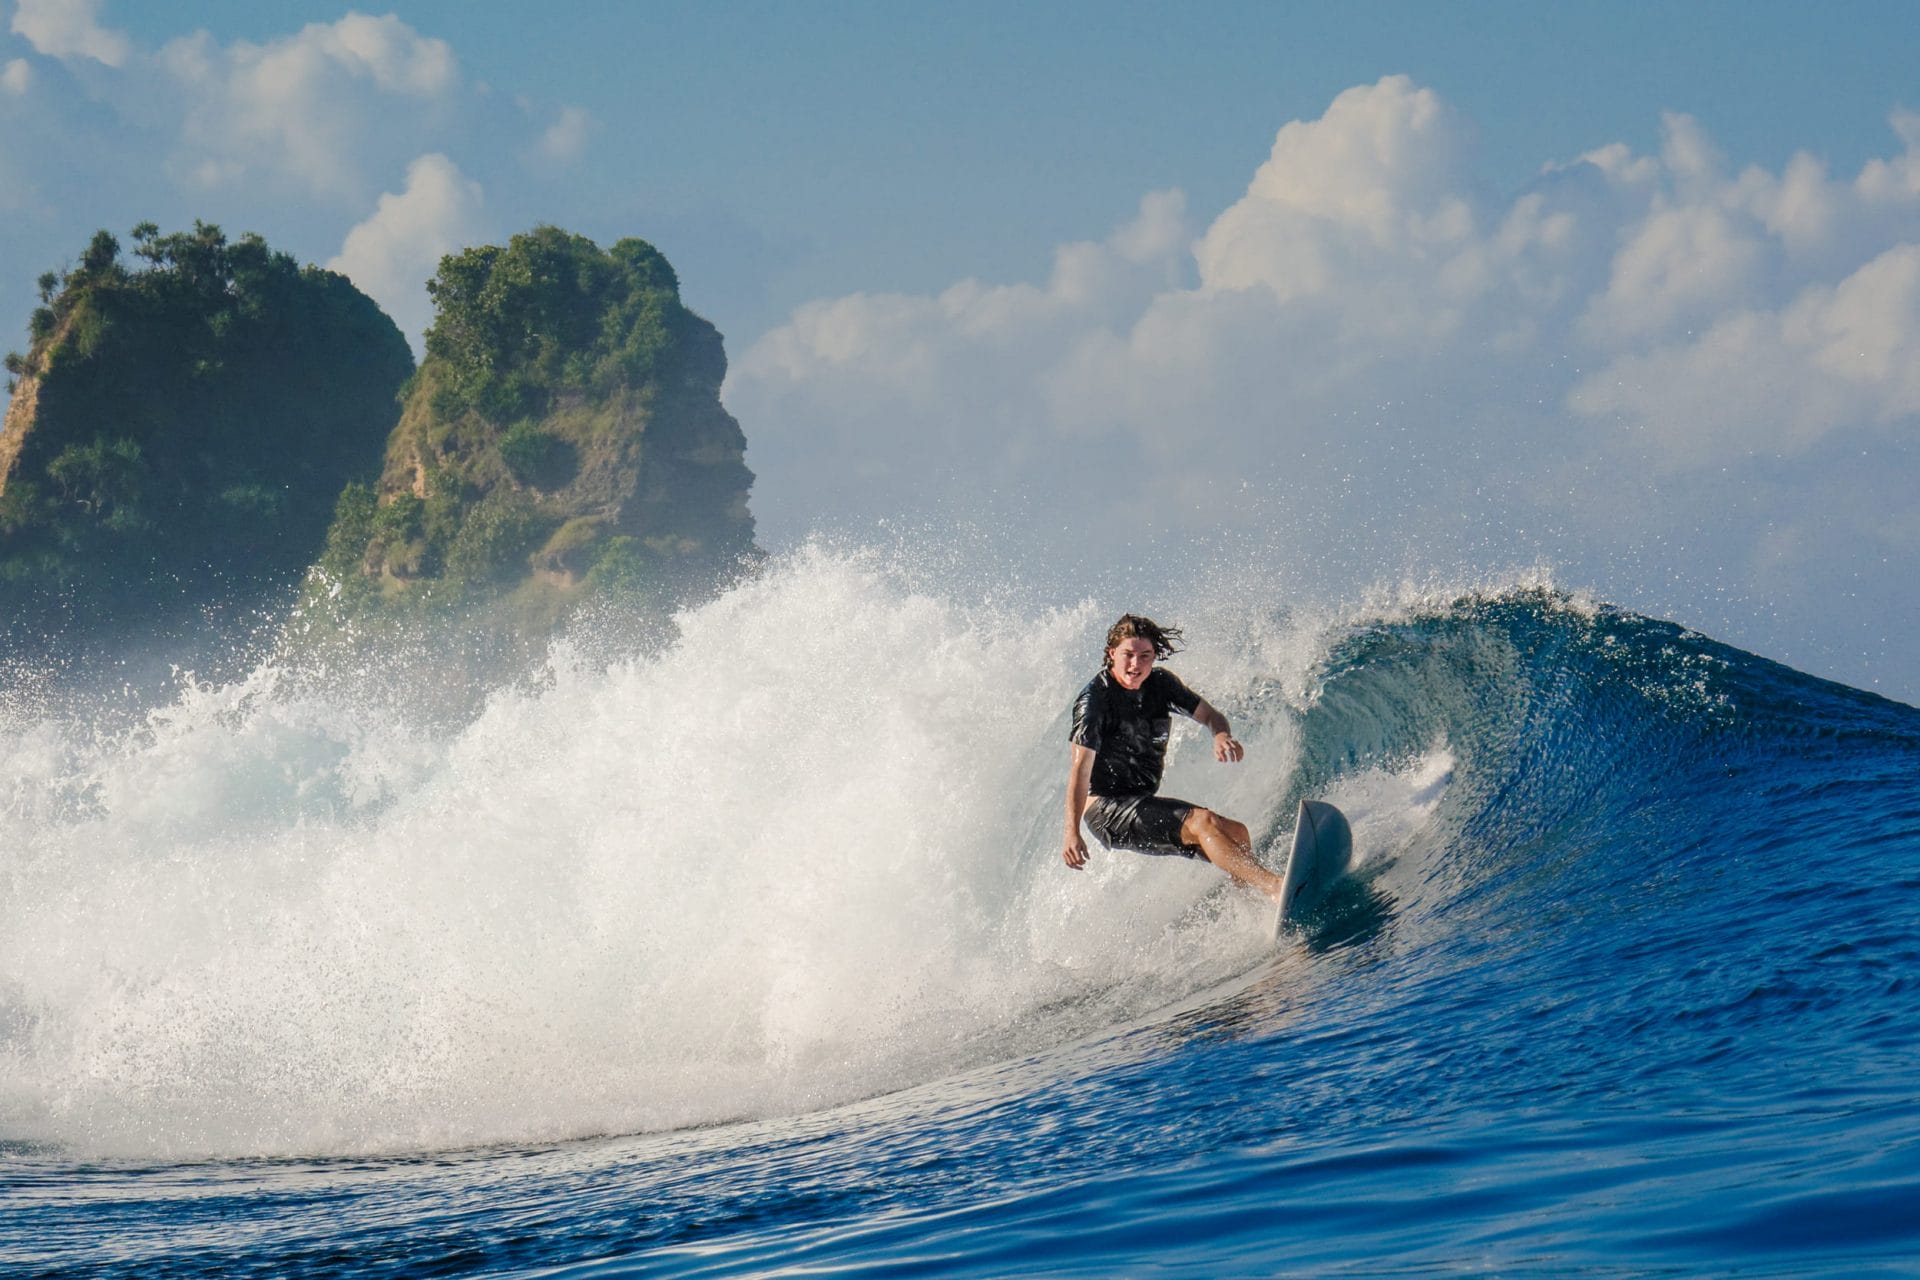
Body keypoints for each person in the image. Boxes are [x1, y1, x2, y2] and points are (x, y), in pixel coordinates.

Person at [1063, 614, 1287, 901]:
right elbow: (1080, 771)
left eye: (1145, 656)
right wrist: (1071, 833)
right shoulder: (1094, 701)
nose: (1136, 664)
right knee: (1202, 822)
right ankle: (1274, 888)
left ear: (1154, 657)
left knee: (1237, 834)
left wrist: (1220, 735)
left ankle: (1249, 905)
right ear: (1112, 654)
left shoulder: (1160, 685)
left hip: (1140, 800)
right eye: (1128, 655)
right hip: (1106, 809)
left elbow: (1210, 715)